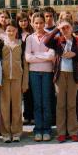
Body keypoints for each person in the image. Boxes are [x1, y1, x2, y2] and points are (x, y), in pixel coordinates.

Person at [43, 20, 78, 142]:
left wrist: (74, 55)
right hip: (60, 74)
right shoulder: (57, 41)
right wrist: (57, 28)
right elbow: (46, 42)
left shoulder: (77, 41)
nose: (65, 30)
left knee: (71, 104)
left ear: (71, 28)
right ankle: (61, 132)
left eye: (67, 27)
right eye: (63, 28)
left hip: (73, 75)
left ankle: (73, 131)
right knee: (60, 104)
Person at [25, 12, 55, 142]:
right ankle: (38, 129)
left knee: (46, 102)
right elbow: (27, 57)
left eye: (41, 23)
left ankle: (47, 129)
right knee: (37, 102)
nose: (39, 25)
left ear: (45, 23)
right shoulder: (29, 38)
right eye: (36, 23)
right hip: (34, 73)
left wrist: (36, 55)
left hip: (48, 72)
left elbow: (52, 55)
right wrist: (44, 56)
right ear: (32, 23)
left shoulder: (50, 37)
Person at [0, 20, 28, 143]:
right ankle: (5, 133)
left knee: (16, 106)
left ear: (17, 31)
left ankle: (16, 132)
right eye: (8, 30)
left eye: (13, 30)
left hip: (17, 78)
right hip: (4, 79)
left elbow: (25, 64)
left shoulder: (21, 44)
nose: (11, 32)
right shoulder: (1, 44)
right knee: (4, 106)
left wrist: (25, 82)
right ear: (5, 31)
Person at [16, 11, 34, 125]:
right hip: (19, 64)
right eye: (21, 21)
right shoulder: (16, 34)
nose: (23, 23)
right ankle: (24, 115)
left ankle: (30, 115)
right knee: (20, 92)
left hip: (29, 64)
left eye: (25, 20)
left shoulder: (32, 34)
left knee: (29, 91)